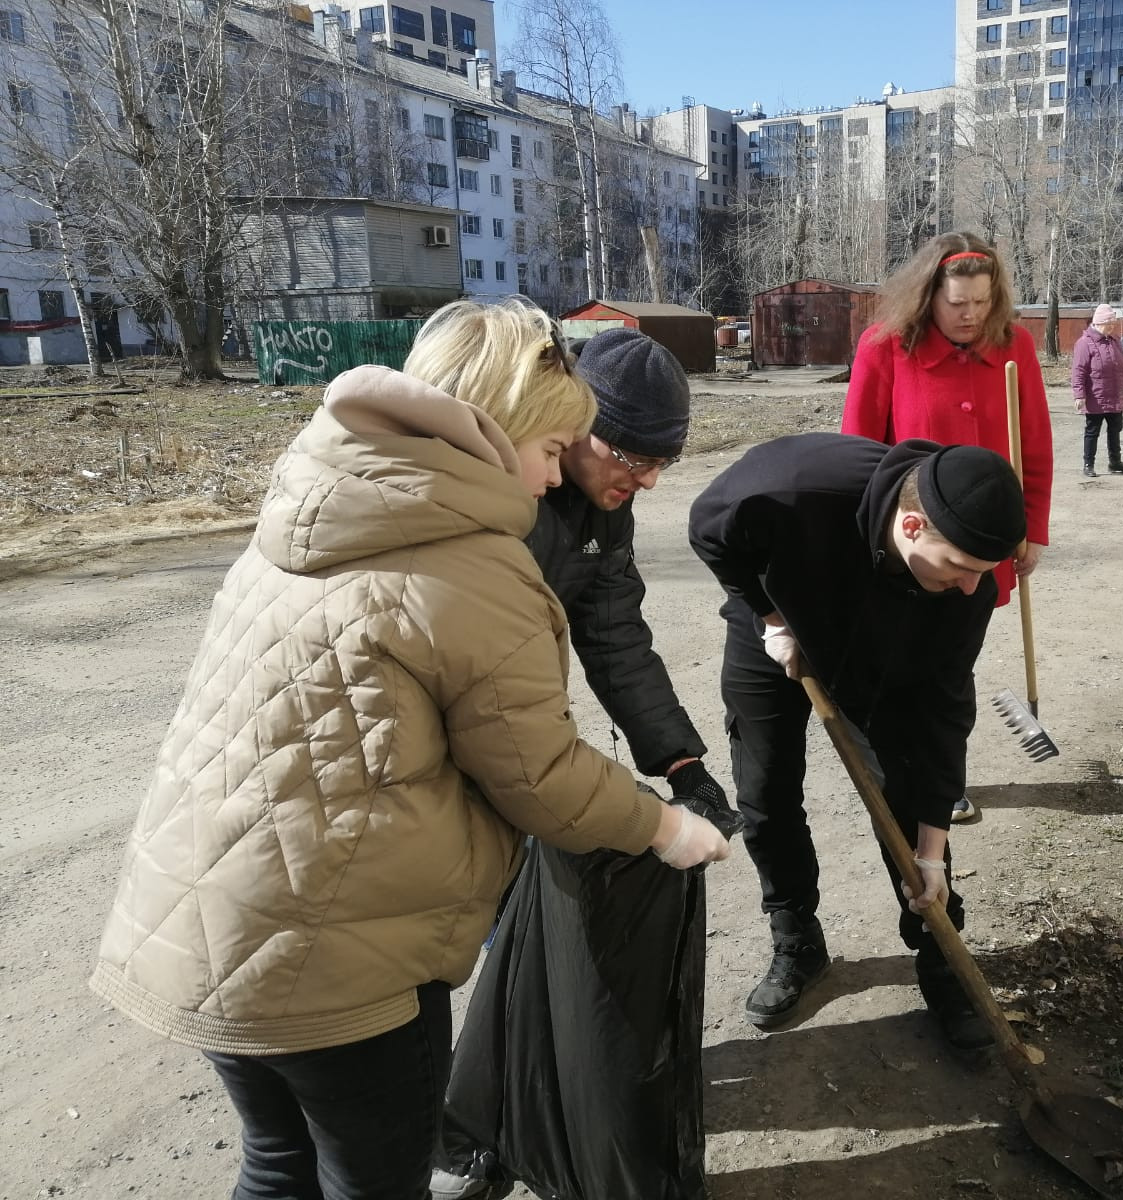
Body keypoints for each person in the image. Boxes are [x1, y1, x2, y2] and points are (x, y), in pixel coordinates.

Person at [89, 299, 731, 1200]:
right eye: (557, 450)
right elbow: (540, 772)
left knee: (278, 1165)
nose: (553, 480)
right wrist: (665, 829)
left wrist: (677, 757)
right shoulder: (470, 559)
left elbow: (609, 638)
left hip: (202, 921)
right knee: (375, 1178)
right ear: (503, 427)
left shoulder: (316, 505)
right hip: (337, 960)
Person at [430, 328, 738, 1200]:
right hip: (456, 742)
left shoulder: (607, 508)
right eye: (632, 459)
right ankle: (465, 1125)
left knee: (518, 926)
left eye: (659, 467)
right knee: (457, 930)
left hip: (520, 728)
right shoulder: (495, 495)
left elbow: (616, 636)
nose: (641, 483)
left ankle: (505, 1108)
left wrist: (680, 762)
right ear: (569, 426)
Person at [689, 434, 1027, 1048]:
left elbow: (942, 719)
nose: (975, 587)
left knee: (903, 789)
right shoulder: (795, 490)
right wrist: (768, 618)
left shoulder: (962, 594)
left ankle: (941, 958)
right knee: (765, 792)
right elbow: (709, 528)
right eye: (961, 567)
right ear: (913, 524)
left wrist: (930, 851)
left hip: (881, 653)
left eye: (986, 573)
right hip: (778, 633)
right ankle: (797, 940)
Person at [841, 230, 1052, 608]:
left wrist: (1033, 530)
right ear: (928, 298)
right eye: (957, 303)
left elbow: (1033, 446)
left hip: (987, 537)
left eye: (981, 301)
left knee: (963, 652)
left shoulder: (1014, 346)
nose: (970, 314)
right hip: (914, 542)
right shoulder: (885, 346)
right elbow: (855, 452)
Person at [1072, 303, 1123, 478]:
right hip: (1095, 397)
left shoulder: (1115, 341)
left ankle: (1115, 462)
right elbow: (1078, 371)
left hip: (1115, 396)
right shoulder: (1084, 343)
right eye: (1108, 324)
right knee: (1092, 431)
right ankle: (1088, 464)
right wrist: (1079, 395)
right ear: (1098, 322)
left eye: (1113, 324)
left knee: (1115, 429)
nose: (1112, 327)